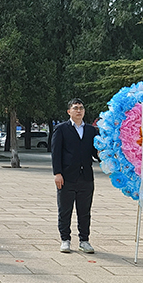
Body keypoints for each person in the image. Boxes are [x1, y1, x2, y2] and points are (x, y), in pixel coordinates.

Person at [52, 98, 99, 254]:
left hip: (86, 177)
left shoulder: (91, 130)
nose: (79, 110)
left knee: (84, 211)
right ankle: (65, 239)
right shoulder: (61, 129)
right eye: (75, 108)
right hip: (67, 177)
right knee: (65, 210)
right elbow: (56, 153)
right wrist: (57, 173)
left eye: (81, 108)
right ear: (69, 111)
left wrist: (103, 155)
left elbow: (95, 152)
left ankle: (84, 240)